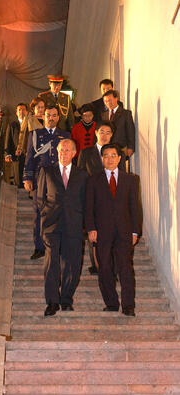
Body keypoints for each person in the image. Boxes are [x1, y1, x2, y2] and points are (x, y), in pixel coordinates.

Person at [85, 143, 139, 317]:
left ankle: (128, 305)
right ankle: (111, 303)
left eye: (113, 155)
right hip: (102, 232)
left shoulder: (130, 179)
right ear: (102, 159)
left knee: (125, 268)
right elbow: (89, 207)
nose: (109, 159)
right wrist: (91, 228)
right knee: (105, 268)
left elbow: (135, 208)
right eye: (106, 156)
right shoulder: (93, 179)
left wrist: (135, 232)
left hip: (124, 232)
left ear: (119, 158)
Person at [37, 139, 88, 316]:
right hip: (52, 224)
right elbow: (39, 197)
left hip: (73, 225)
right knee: (51, 263)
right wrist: (45, 214)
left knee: (72, 264)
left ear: (74, 153)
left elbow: (86, 201)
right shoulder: (47, 170)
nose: (63, 153)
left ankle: (66, 299)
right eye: (60, 150)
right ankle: (52, 301)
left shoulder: (82, 174)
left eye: (67, 150)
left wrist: (85, 223)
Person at [78, 121, 126, 275]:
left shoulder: (119, 154)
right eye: (102, 132)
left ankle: (110, 270)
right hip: (92, 200)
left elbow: (122, 178)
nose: (105, 135)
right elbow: (79, 176)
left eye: (108, 132)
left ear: (112, 135)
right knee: (94, 235)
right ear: (96, 132)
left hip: (112, 202)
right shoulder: (85, 153)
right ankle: (98, 266)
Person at [23, 105, 70, 260]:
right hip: (40, 177)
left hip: (59, 176)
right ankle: (39, 247)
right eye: (48, 115)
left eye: (54, 115)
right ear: (43, 116)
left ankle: (59, 245)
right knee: (39, 212)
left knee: (59, 211)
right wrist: (28, 178)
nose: (51, 118)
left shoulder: (65, 135)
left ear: (58, 117)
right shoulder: (35, 134)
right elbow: (30, 157)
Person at [101, 90, 135, 158]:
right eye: (106, 101)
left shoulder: (125, 113)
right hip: (107, 149)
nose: (108, 103)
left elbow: (130, 131)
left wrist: (131, 147)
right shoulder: (103, 115)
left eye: (110, 100)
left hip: (121, 147)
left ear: (116, 98)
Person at [4, 103, 28, 187]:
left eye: (23, 109)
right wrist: (8, 154)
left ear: (27, 112)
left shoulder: (31, 124)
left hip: (28, 156)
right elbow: (8, 140)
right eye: (19, 110)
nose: (22, 112)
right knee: (18, 179)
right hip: (17, 157)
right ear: (16, 113)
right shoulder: (12, 125)